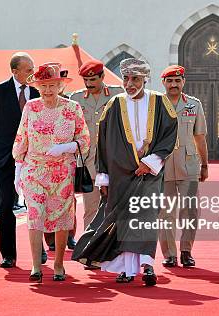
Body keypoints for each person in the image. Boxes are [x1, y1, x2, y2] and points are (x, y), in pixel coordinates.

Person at [72, 58, 178, 286]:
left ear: (145, 80)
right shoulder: (115, 104)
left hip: (149, 172)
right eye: (126, 79)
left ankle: (148, 266)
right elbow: (104, 143)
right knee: (123, 219)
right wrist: (104, 177)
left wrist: (149, 162)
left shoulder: (160, 102)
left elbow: (170, 134)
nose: (129, 84)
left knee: (146, 217)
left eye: (135, 79)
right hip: (120, 173)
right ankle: (126, 269)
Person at [13, 62, 89, 282]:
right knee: (35, 216)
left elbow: (84, 139)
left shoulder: (72, 108)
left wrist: (67, 147)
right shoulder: (31, 107)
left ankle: (58, 265)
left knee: (62, 218)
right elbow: (21, 137)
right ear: (37, 86)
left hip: (62, 171)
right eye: (43, 85)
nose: (47, 90)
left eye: (52, 85)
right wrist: (18, 168)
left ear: (60, 86)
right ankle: (36, 266)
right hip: (34, 170)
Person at [0, 52, 42, 268]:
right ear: (15, 71)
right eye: (28, 70)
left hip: (35, 157)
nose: (32, 73)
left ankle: (40, 251)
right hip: (7, 156)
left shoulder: (37, 93)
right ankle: (8, 254)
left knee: (37, 205)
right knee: (6, 205)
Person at [69, 59, 123, 255]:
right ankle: (91, 250)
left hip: (114, 162)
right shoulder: (76, 98)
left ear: (102, 77)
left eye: (93, 79)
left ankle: (112, 251)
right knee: (91, 209)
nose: (89, 84)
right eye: (86, 80)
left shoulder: (118, 95)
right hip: (88, 163)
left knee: (115, 209)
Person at [159, 65, 208, 268]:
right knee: (166, 211)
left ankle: (186, 251)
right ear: (164, 83)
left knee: (189, 210)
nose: (173, 85)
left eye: (177, 81)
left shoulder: (194, 105)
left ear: (183, 82)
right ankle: (169, 253)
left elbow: (200, 136)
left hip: (189, 163)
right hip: (163, 164)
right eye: (169, 81)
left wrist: (204, 164)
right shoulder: (156, 104)